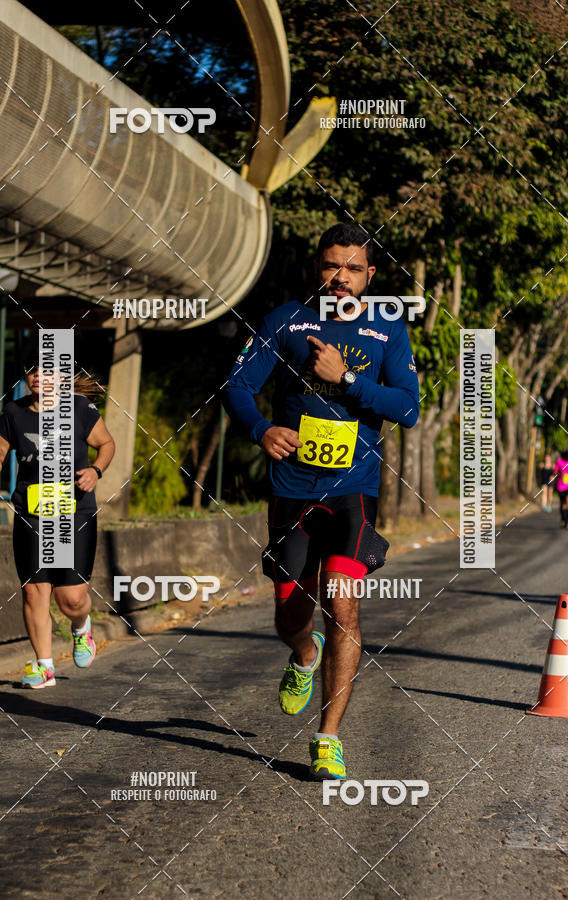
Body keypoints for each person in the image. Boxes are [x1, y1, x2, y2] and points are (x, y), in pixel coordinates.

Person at [224, 222, 419, 780]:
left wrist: (348, 378)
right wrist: (261, 428)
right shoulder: (286, 320)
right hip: (292, 489)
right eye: (332, 266)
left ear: (370, 276)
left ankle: (328, 737)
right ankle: (304, 655)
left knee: (344, 602)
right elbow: (236, 386)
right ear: (319, 267)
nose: (341, 278)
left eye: (353, 269)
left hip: (354, 491)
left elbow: (406, 409)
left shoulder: (388, 330)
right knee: (289, 615)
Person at [0, 355, 115, 688]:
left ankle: (81, 627)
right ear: (27, 377)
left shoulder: (80, 409)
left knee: (69, 599)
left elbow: (106, 444)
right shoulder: (13, 413)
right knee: (33, 592)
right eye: (33, 370)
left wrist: (96, 470)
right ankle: (44, 666)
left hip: (74, 511)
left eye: (48, 370)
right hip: (32, 512)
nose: (40, 376)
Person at [553, 448, 568, 527]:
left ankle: (566, 518)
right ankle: (563, 519)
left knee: (567, 500)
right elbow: (555, 472)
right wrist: (560, 474)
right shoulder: (559, 461)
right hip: (561, 486)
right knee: (563, 503)